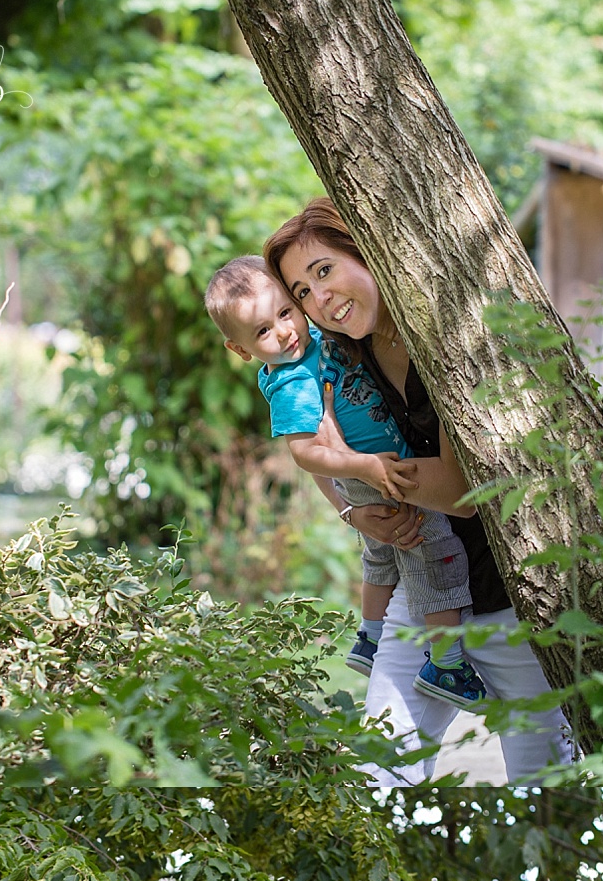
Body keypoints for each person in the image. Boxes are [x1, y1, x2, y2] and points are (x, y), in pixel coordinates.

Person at [263, 198, 575, 786]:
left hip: (512, 592)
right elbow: (310, 447)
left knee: (543, 781)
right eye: (300, 291)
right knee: (382, 769)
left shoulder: (445, 337)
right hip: (423, 586)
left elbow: (462, 488)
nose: (317, 298)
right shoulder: (341, 352)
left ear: (365, 249)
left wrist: (367, 475)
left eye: (324, 270)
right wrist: (356, 509)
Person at [203, 254, 487, 706]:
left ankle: (370, 639)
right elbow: (304, 453)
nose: (283, 330)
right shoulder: (291, 381)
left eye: (285, 311)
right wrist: (362, 467)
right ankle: (447, 664)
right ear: (240, 349)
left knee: (382, 557)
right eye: (262, 331)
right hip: (371, 473)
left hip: (372, 470)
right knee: (433, 551)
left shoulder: (318, 338)